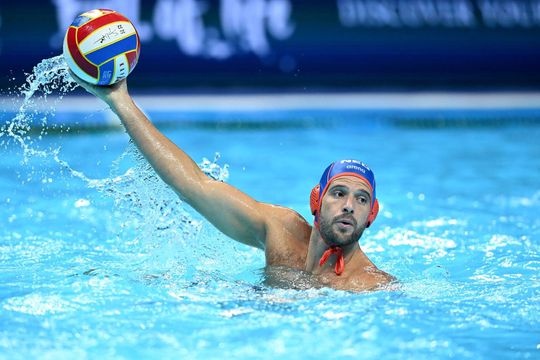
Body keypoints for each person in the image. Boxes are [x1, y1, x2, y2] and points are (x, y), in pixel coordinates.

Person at [70, 73, 395, 292]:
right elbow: (194, 185)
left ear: (371, 215)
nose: (349, 205)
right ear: (316, 200)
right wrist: (120, 101)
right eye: (339, 193)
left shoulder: (370, 285)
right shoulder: (280, 231)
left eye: (361, 199)